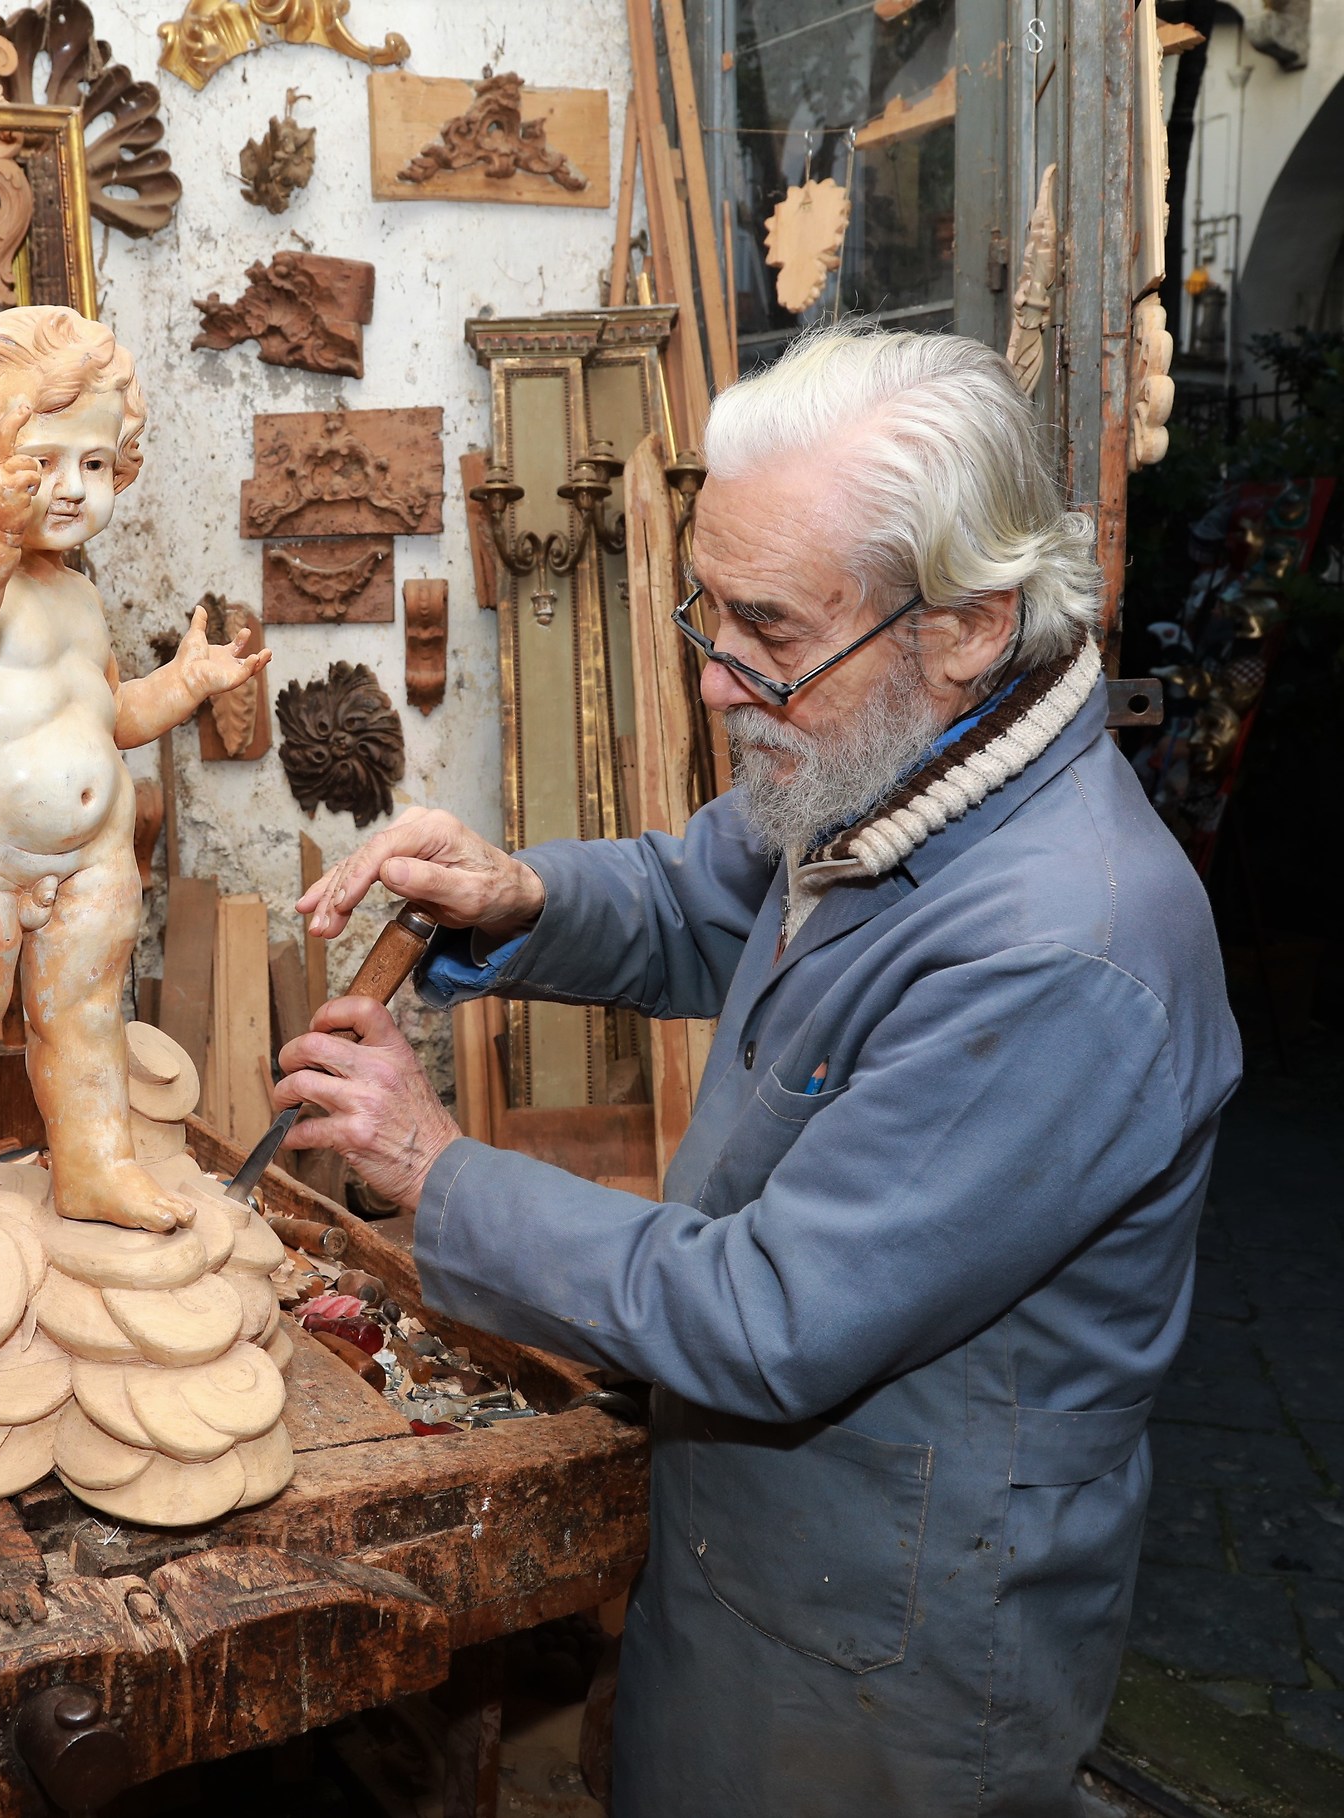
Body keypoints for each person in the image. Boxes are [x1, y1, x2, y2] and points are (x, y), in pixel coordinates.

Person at [275, 326, 1241, 1816]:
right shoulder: (891, 752)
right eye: (707, 612)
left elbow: (772, 1312)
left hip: (889, 1655)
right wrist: (518, 894)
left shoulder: (1067, 954)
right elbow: (699, 894)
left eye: (771, 633)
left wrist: (437, 1172)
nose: (720, 683)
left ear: (973, 624)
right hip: (745, 1549)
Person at [0, 306, 269, 1237]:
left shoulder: (80, 595)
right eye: (42, 462)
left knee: (86, 1017)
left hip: (93, 859)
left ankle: (93, 1163)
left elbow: (103, 717)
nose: (71, 489)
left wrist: (183, 685)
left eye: (95, 465)